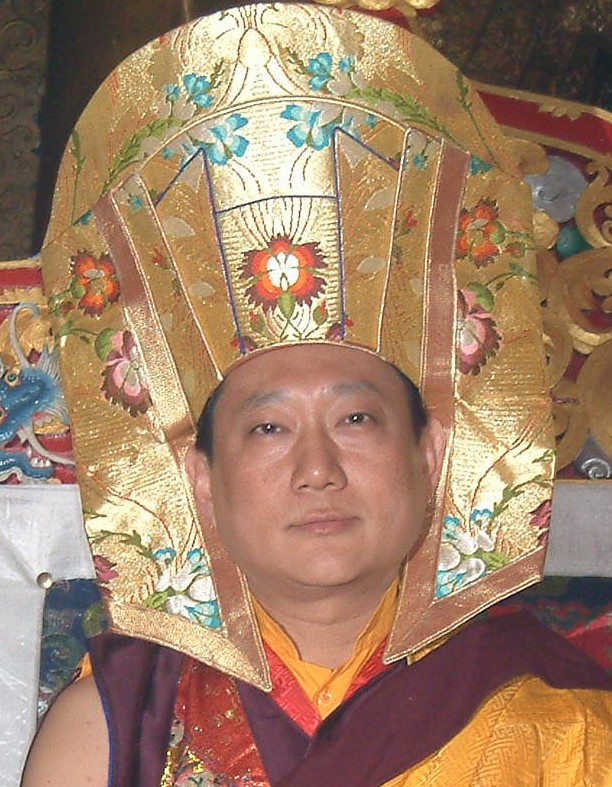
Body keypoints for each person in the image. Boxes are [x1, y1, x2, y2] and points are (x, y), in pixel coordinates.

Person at [22, 3, 612, 785]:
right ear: (201, 479)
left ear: (431, 453)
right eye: (268, 428)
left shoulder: (562, 722)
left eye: (356, 417)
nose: (317, 469)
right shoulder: (114, 727)